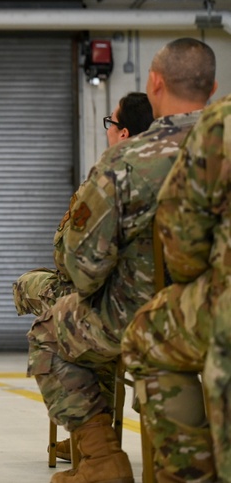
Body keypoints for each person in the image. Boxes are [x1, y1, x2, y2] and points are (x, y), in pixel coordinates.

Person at [27, 37, 216, 483]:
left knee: (48, 335)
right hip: (219, 316)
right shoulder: (221, 150)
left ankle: (102, 460)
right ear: (213, 88)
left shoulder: (125, 162)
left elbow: (80, 266)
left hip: (144, 317)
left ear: (155, 84)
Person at [13, 90, 155, 462]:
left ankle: (95, 447)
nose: (107, 129)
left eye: (111, 122)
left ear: (123, 134)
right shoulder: (176, 172)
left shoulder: (110, 176)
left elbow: (69, 256)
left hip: (118, 307)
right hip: (164, 305)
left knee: (53, 324)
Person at [121, 93, 231, 482]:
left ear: (156, 83)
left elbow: (183, 246)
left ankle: (192, 473)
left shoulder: (222, 123)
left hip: (221, 309)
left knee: (144, 333)